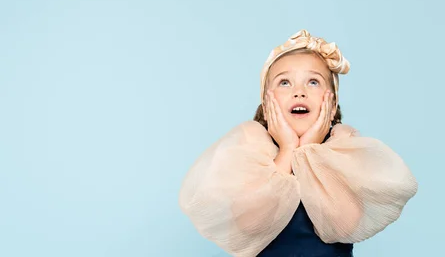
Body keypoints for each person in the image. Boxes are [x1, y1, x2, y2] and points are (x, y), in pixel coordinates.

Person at [178, 30, 418, 257]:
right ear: (266, 102)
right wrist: (288, 151)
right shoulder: (251, 146)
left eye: (313, 82)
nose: (299, 92)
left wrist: (309, 151)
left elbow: (346, 226)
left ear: (332, 105)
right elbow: (248, 226)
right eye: (285, 83)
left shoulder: (343, 146)